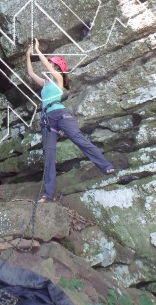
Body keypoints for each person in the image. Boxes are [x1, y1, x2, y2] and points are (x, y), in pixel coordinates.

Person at [26, 38, 115, 203]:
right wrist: (27, 56)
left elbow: (45, 66)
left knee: (79, 140)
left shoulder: (58, 78)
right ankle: (47, 194)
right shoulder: (45, 83)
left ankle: (106, 166)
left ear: (56, 67)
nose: (48, 66)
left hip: (60, 114)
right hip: (47, 120)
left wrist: (38, 50)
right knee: (48, 156)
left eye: (51, 64)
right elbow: (31, 74)